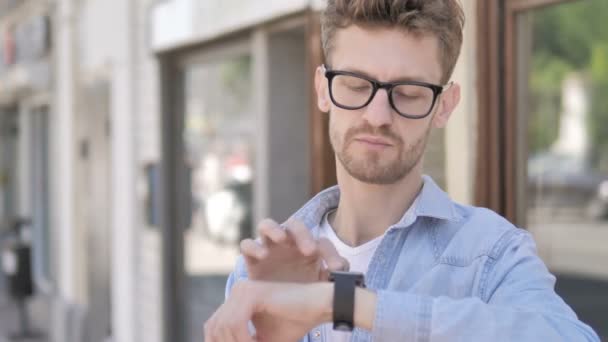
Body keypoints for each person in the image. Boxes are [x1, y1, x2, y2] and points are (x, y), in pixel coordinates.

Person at [204, 0, 601, 341]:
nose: (378, 116)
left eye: (408, 93)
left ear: (444, 105)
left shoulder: (491, 254)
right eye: (356, 85)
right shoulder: (259, 269)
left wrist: (344, 303)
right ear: (323, 88)